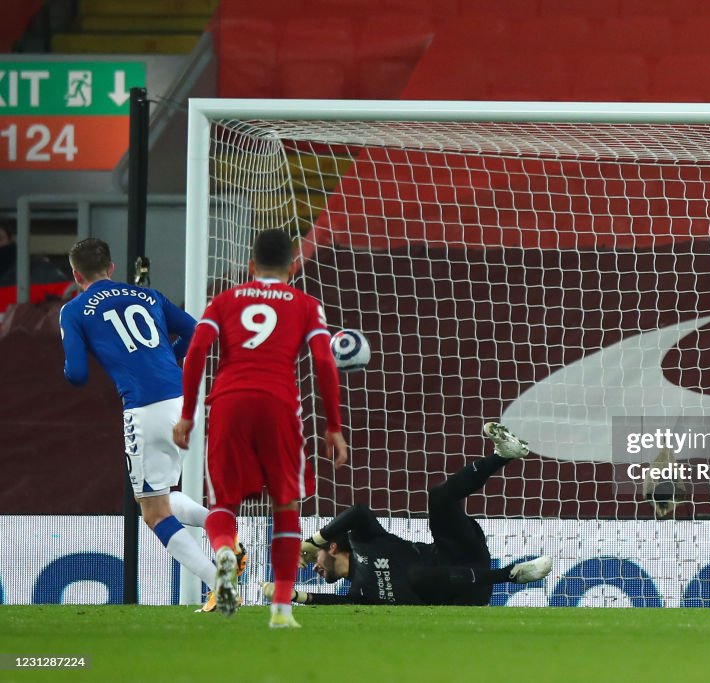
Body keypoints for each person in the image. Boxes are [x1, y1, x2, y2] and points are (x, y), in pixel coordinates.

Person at [173, 227, 347, 629]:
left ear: (251, 266)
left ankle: (224, 554)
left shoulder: (224, 301)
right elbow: (323, 362)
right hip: (278, 406)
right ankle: (282, 610)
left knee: (224, 505)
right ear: (292, 268)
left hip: (229, 404)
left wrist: (187, 413)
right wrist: (333, 426)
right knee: (286, 507)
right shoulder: (306, 305)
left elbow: (197, 350)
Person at [59, 237, 240, 610]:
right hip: (183, 402)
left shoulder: (74, 311)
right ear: (111, 268)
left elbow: (76, 374)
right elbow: (197, 330)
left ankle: (219, 584)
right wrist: (168, 360)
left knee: (152, 511)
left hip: (144, 408)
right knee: (163, 494)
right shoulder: (149, 295)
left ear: (77, 274)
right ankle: (227, 533)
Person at [262, 423, 552, 606]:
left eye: (315, 559)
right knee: (417, 576)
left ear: (333, 546)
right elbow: (333, 604)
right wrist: (295, 596)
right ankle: (513, 575)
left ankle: (504, 454)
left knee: (438, 499)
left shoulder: (365, 539)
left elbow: (359, 511)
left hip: (460, 553)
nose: (314, 567)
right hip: (463, 594)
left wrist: (312, 542)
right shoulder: (359, 592)